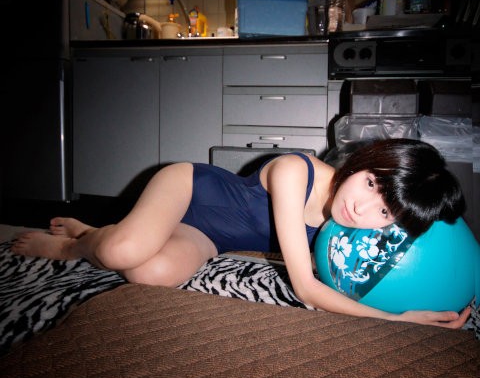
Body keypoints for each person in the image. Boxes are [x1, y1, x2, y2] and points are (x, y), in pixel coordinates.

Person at [12, 138, 470, 328]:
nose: (360, 208)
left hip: (214, 238)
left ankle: (101, 233)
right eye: (369, 183)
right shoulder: (296, 171)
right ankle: (76, 243)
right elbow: (306, 288)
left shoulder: (356, 230)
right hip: (192, 191)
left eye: (384, 211)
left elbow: (408, 262)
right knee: (121, 251)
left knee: (148, 274)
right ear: (364, 162)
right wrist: (396, 321)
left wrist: (436, 299)